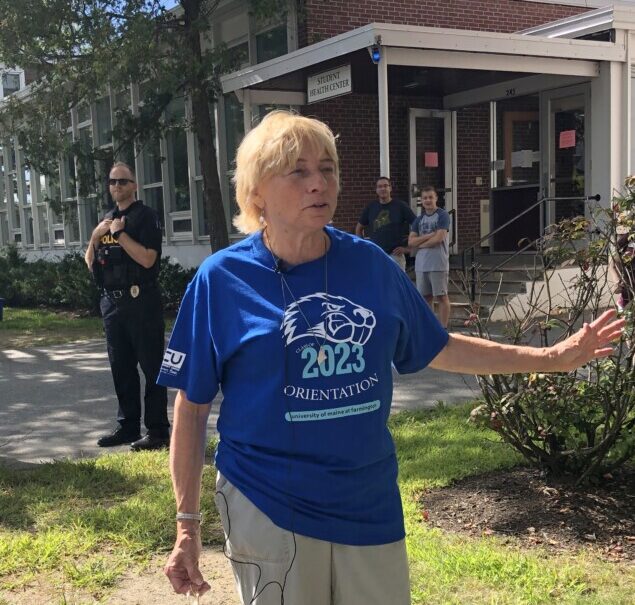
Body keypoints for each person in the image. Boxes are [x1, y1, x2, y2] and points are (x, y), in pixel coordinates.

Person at [160, 111, 623, 605]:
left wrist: (554, 356)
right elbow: (191, 406)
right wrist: (186, 524)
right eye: (298, 171)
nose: (320, 184)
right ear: (256, 193)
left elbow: (439, 346)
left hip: (368, 503)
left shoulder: (370, 266)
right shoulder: (221, 280)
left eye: (328, 169)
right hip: (268, 503)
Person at [85, 162, 170, 451]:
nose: (117, 186)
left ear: (134, 185)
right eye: (112, 182)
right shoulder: (106, 219)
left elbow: (148, 259)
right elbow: (90, 262)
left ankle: (158, 431)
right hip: (112, 302)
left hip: (141, 301)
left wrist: (121, 234)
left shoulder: (146, 217)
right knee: (121, 367)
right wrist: (95, 237)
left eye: (123, 181)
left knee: (151, 366)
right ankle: (128, 426)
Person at [408, 186, 451, 327]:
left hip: (438, 263)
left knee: (441, 296)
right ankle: (430, 327)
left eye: (430, 197)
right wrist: (428, 236)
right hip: (421, 265)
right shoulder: (418, 219)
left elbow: (438, 238)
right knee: (425, 298)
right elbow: (411, 241)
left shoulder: (442, 215)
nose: (428, 200)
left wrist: (420, 244)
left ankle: (443, 328)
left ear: (436, 198)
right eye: (425, 198)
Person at [355, 177, 415, 270]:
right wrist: (363, 247)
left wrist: (408, 248)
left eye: (385, 186)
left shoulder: (400, 206)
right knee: (377, 284)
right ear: (376, 190)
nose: (382, 188)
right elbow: (359, 228)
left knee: (396, 284)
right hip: (376, 255)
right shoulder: (371, 207)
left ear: (390, 188)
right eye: (379, 186)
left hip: (395, 256)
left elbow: (416, 225)